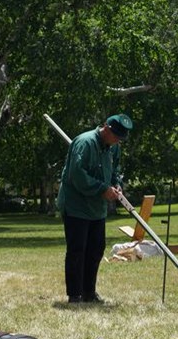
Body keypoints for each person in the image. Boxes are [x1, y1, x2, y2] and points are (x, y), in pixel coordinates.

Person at [56, 113, 134, 304]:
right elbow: (77, 175)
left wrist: (116, 184)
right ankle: (75, 295)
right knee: (77, 250)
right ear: (106, 128)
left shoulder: (114, 148)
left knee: (96, 249)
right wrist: (101, 189)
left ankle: (89, 292)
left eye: (120, 138)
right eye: (115, 136)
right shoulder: (85, 143)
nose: (117, 141)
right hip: (76, 205)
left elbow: (114, 170)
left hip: (96, 208)